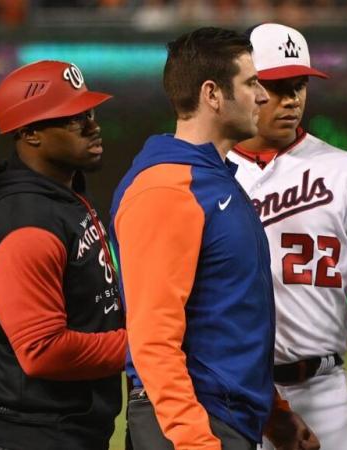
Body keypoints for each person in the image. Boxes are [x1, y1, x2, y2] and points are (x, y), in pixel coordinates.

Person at [110, 27, 319, 450]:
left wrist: (273, 413)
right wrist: (193, 440)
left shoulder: (212, 179)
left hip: (221, 417)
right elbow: (152, 338)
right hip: (188, 423)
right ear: (212, 93)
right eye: (251, 83)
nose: (263, 95)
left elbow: (225, 315)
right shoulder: (168, 187)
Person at [227, 23, 347, 450]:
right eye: (277, 86)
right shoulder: (208, 171)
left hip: (321, 389)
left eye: (299, 85)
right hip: (232, 388)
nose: (292, 99)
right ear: (247, 87)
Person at [0, 60, 127, 449]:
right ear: (30, 134)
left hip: (58, 431)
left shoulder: (63, 193)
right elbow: (42, 351)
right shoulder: (25, 221)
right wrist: (144, 344)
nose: (92, 125)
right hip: (23, 436)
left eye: (89, 111)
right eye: (73, 118)